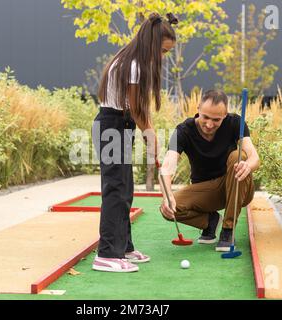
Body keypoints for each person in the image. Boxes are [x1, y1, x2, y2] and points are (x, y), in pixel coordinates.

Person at [91, 13, 178, 272]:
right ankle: (106, 254)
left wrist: (148, 134)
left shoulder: (133, 60)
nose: (163, 56)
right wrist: (149, 135)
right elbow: (136, 109)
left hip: (120, 125)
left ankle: (124, 247)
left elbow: (140, 107)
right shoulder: (133, 64)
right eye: (163, 50)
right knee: (115, 190)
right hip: (112, 125)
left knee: (125, 188)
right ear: (152, 43)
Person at [158, 89, 260, 252]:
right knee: (169, 208)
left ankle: (228, 229)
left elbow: (254, 157)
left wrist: (248, 165)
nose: (209, 124)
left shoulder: (235, 123)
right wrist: (167, 195)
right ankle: (210, 221)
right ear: (198, 108)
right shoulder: (183, 130)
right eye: (205, 117)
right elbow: (168, 164)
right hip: (208, 192)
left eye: (216, 119)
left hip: (238, 187)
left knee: (238, 156)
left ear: (225, 115)